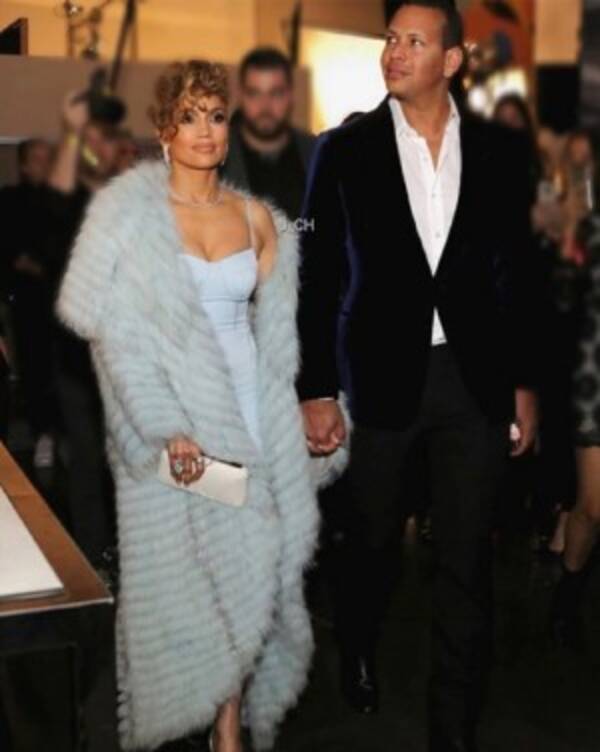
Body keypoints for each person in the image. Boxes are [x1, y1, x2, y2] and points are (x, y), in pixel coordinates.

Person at [57, 59, 347, 752]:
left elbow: (282, 338)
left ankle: (227, 725)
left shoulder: (258, 219)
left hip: (250, 416)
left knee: (248, 569)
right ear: (164, 129)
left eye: (216, 116)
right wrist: (164, 424)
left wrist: (304, 405)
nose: (205, 130)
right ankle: (215, 719)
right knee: (197, 580)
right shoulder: (132, 217)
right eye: (189, 116)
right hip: (173, 423)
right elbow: (109, 334)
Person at [296, 2, 538, 750]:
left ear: (453, 60)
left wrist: (525, 382)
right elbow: (316, 276)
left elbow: (517, 272)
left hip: (473, 380)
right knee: (370, 543)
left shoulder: (498, 150)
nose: (394, 52)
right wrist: (315, 388)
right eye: (391, 39)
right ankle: (358, 641)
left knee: (466, 561)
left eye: (414, 41)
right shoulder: (345, 149)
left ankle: (452, 727)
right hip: (380, 378)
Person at [45, 95, 124, 568]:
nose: (99, 148)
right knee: (87, 462)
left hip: (124, 359)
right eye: (89, 141)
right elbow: (57, 198)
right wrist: (73, 133)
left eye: (105, 139)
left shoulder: (126, 202)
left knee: (128, 463)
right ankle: (93, 558)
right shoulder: (67, 202)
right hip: (76, 358)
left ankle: (130, 554)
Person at [552, 163, 600, 648]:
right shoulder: (584, 198)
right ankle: (569, 588)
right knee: (593, 505)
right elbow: (563, 290)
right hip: (595, 368)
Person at [0, 138, 56, 467]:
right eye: (37, 159)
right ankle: (41, 433)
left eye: (49, 158)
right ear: (23, 164)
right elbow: (11, 253)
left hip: (65, 301)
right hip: (29, 301)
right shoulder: (10, 200)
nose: (45, 165)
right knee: (35, 368)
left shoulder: (64, 200)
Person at [221, 47, 316, 221]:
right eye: (254, 94)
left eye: (276, 94)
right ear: (241, 96)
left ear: (290, 96)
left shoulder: (316, 154)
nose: (265, 106)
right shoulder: (216, 157)